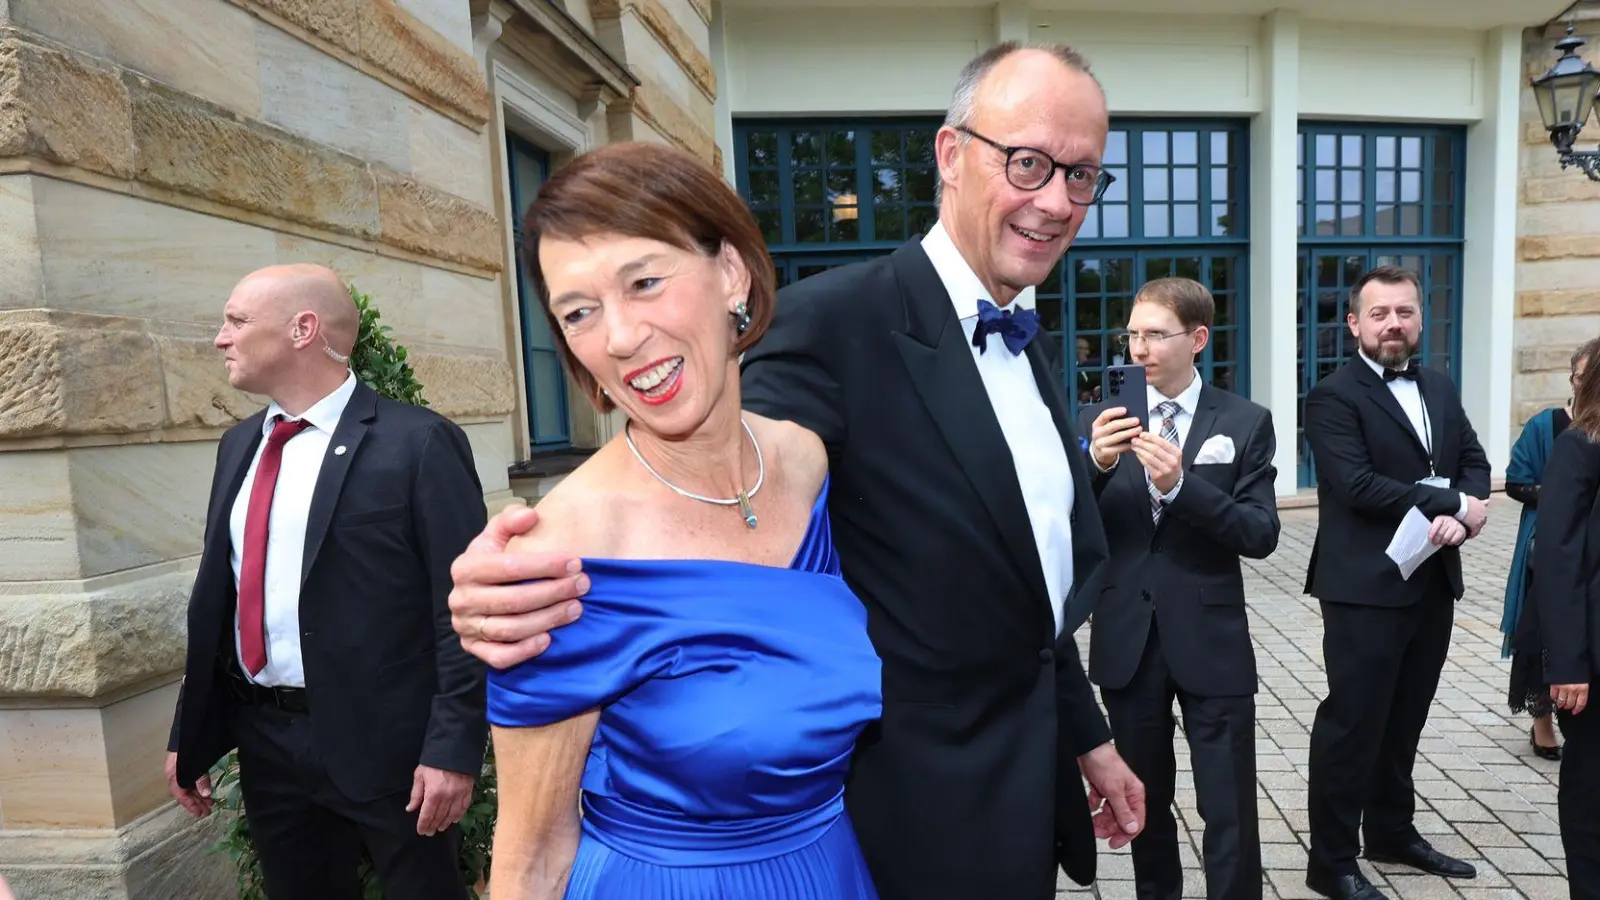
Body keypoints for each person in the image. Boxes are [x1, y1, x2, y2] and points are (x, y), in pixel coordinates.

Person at [448, 41, 1146, 900]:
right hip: (900, 838)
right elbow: (701, 456)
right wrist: (507, 574)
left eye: (1082, 176)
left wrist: (1088, 736)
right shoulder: (832, 329)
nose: (1055, 200)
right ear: (952, 154)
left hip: (1014, 804)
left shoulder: (1025, 345)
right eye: (1030, 163)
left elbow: (1021, 588)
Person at [484, 141, 882, 899]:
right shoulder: (564, 547)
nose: (621, 336)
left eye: (646, 282)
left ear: (731, 273)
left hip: (830, 870)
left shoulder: (805, 463)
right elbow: (530, 855)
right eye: (579, 311)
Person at [164, 264, 488, 900]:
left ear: (302, 329)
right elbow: (219, 602)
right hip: (267, 745)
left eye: (236, 320)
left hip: (392, 752)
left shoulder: (419, 443)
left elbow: (465, 612)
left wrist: (453, 749)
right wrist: (191, 732)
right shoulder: (238, 446)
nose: (220, 338)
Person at [1080, 277, 1278, 900]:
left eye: (1155, 335)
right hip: (1128, 639)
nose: (1138, 348)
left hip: (1210, 636)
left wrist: (1184, 487)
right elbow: (1061, 521)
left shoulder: (1244, 421)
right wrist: (1096, 467)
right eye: (1132, 334)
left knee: (1228, 804)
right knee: (1145, 798)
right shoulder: (1095, 419)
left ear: (1196, 339)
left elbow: (1261, 532)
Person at [1301, 265, 1492, 900]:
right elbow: (1355, 484)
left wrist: (1464, 512)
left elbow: (1473, 460)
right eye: (1379, 313)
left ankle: (1390, 832)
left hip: (1432, 581)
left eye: (1404, 312)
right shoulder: (1333, 395)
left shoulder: (1438, 384)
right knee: (1353, 724)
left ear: (1419, 318)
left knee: (1405, 719)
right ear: (1355, 322)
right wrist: (1450, 507)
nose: (1393, 324)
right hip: (1364, 587)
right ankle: (1330, 861)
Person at [1503, 340, 1598, 761]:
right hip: (1544, 543)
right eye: (1576, 376)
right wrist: (1558, 493)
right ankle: (1542, 719)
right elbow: (1515, 480)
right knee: (1537, 631)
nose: (1580, 383)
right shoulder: (1551, 427)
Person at [1529, 336, 1600, 900]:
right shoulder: (1581, 447)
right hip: (1593, 657)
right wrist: (1568, 664)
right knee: (1591, 788)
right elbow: (1556, 560)